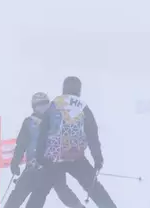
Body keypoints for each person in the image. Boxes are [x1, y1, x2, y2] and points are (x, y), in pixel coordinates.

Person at [27, 76, 117, 208]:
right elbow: (92, 134)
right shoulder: (83, 107)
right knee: (94, 188)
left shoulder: (54, 104)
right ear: (78, 90)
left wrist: (41, 157)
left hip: (53, 158)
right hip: (76, 157)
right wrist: (97, 158)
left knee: (39, 192)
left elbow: (43, 133)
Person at [4, 92, 84, 208]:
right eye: (39, 105)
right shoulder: (29, 123)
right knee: (19, 193)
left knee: (62, 190)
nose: (42, 108)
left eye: (45, 105)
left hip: (54, 165)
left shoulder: (57, 120)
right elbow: (21, 144)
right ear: (34, 107)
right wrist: (15, 162)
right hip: (34, 166)